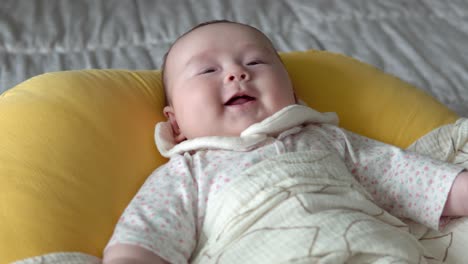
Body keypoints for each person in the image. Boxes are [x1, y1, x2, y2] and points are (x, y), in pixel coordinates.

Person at [103, 20, 468, 264]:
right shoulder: (189, 171)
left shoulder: (326, 140)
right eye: (208, 70)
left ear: (293, 95)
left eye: (256, 62)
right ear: (176, 123)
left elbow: (405, 177)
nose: (236, 72)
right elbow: (145, 237)